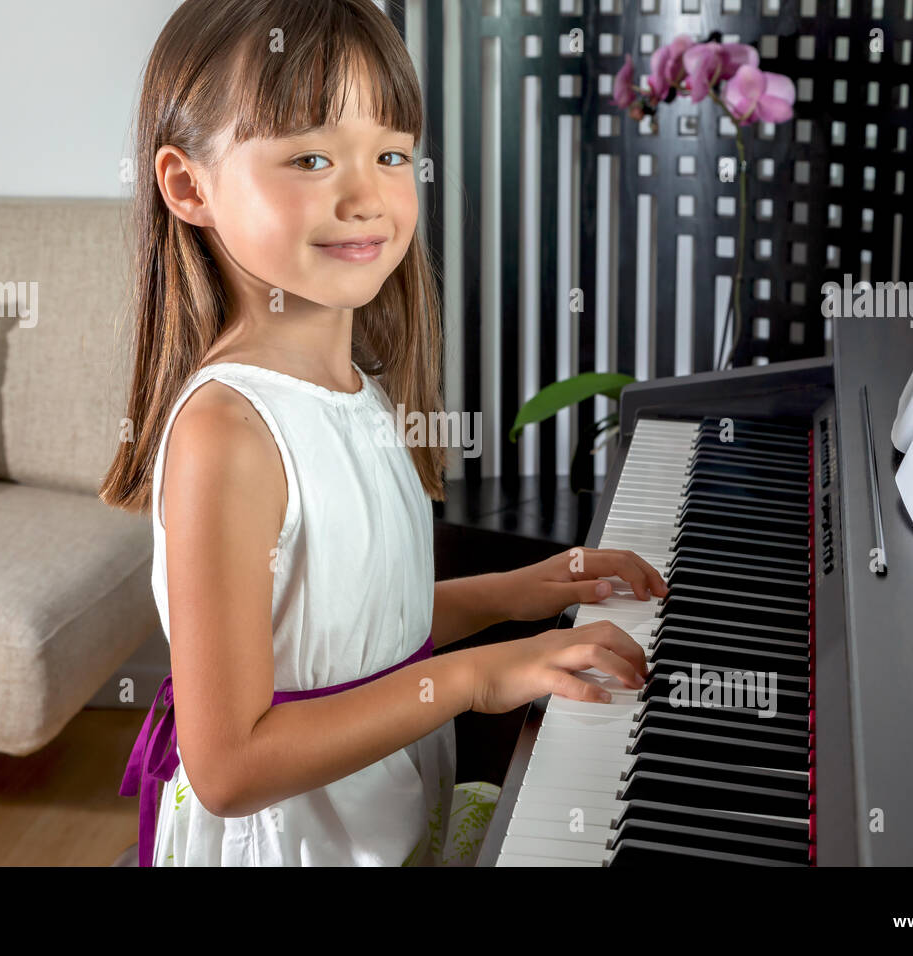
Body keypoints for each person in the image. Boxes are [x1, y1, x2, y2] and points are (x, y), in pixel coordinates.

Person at [100, 0, 665, 866]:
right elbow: (229, 765)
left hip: (384, 819)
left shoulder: (354, 387)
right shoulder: (229, 433)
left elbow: (353, 637)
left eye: (392, 154)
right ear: (189, 187)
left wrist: (520, 591)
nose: (365, 195)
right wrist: (476, 680)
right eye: (311, 157)